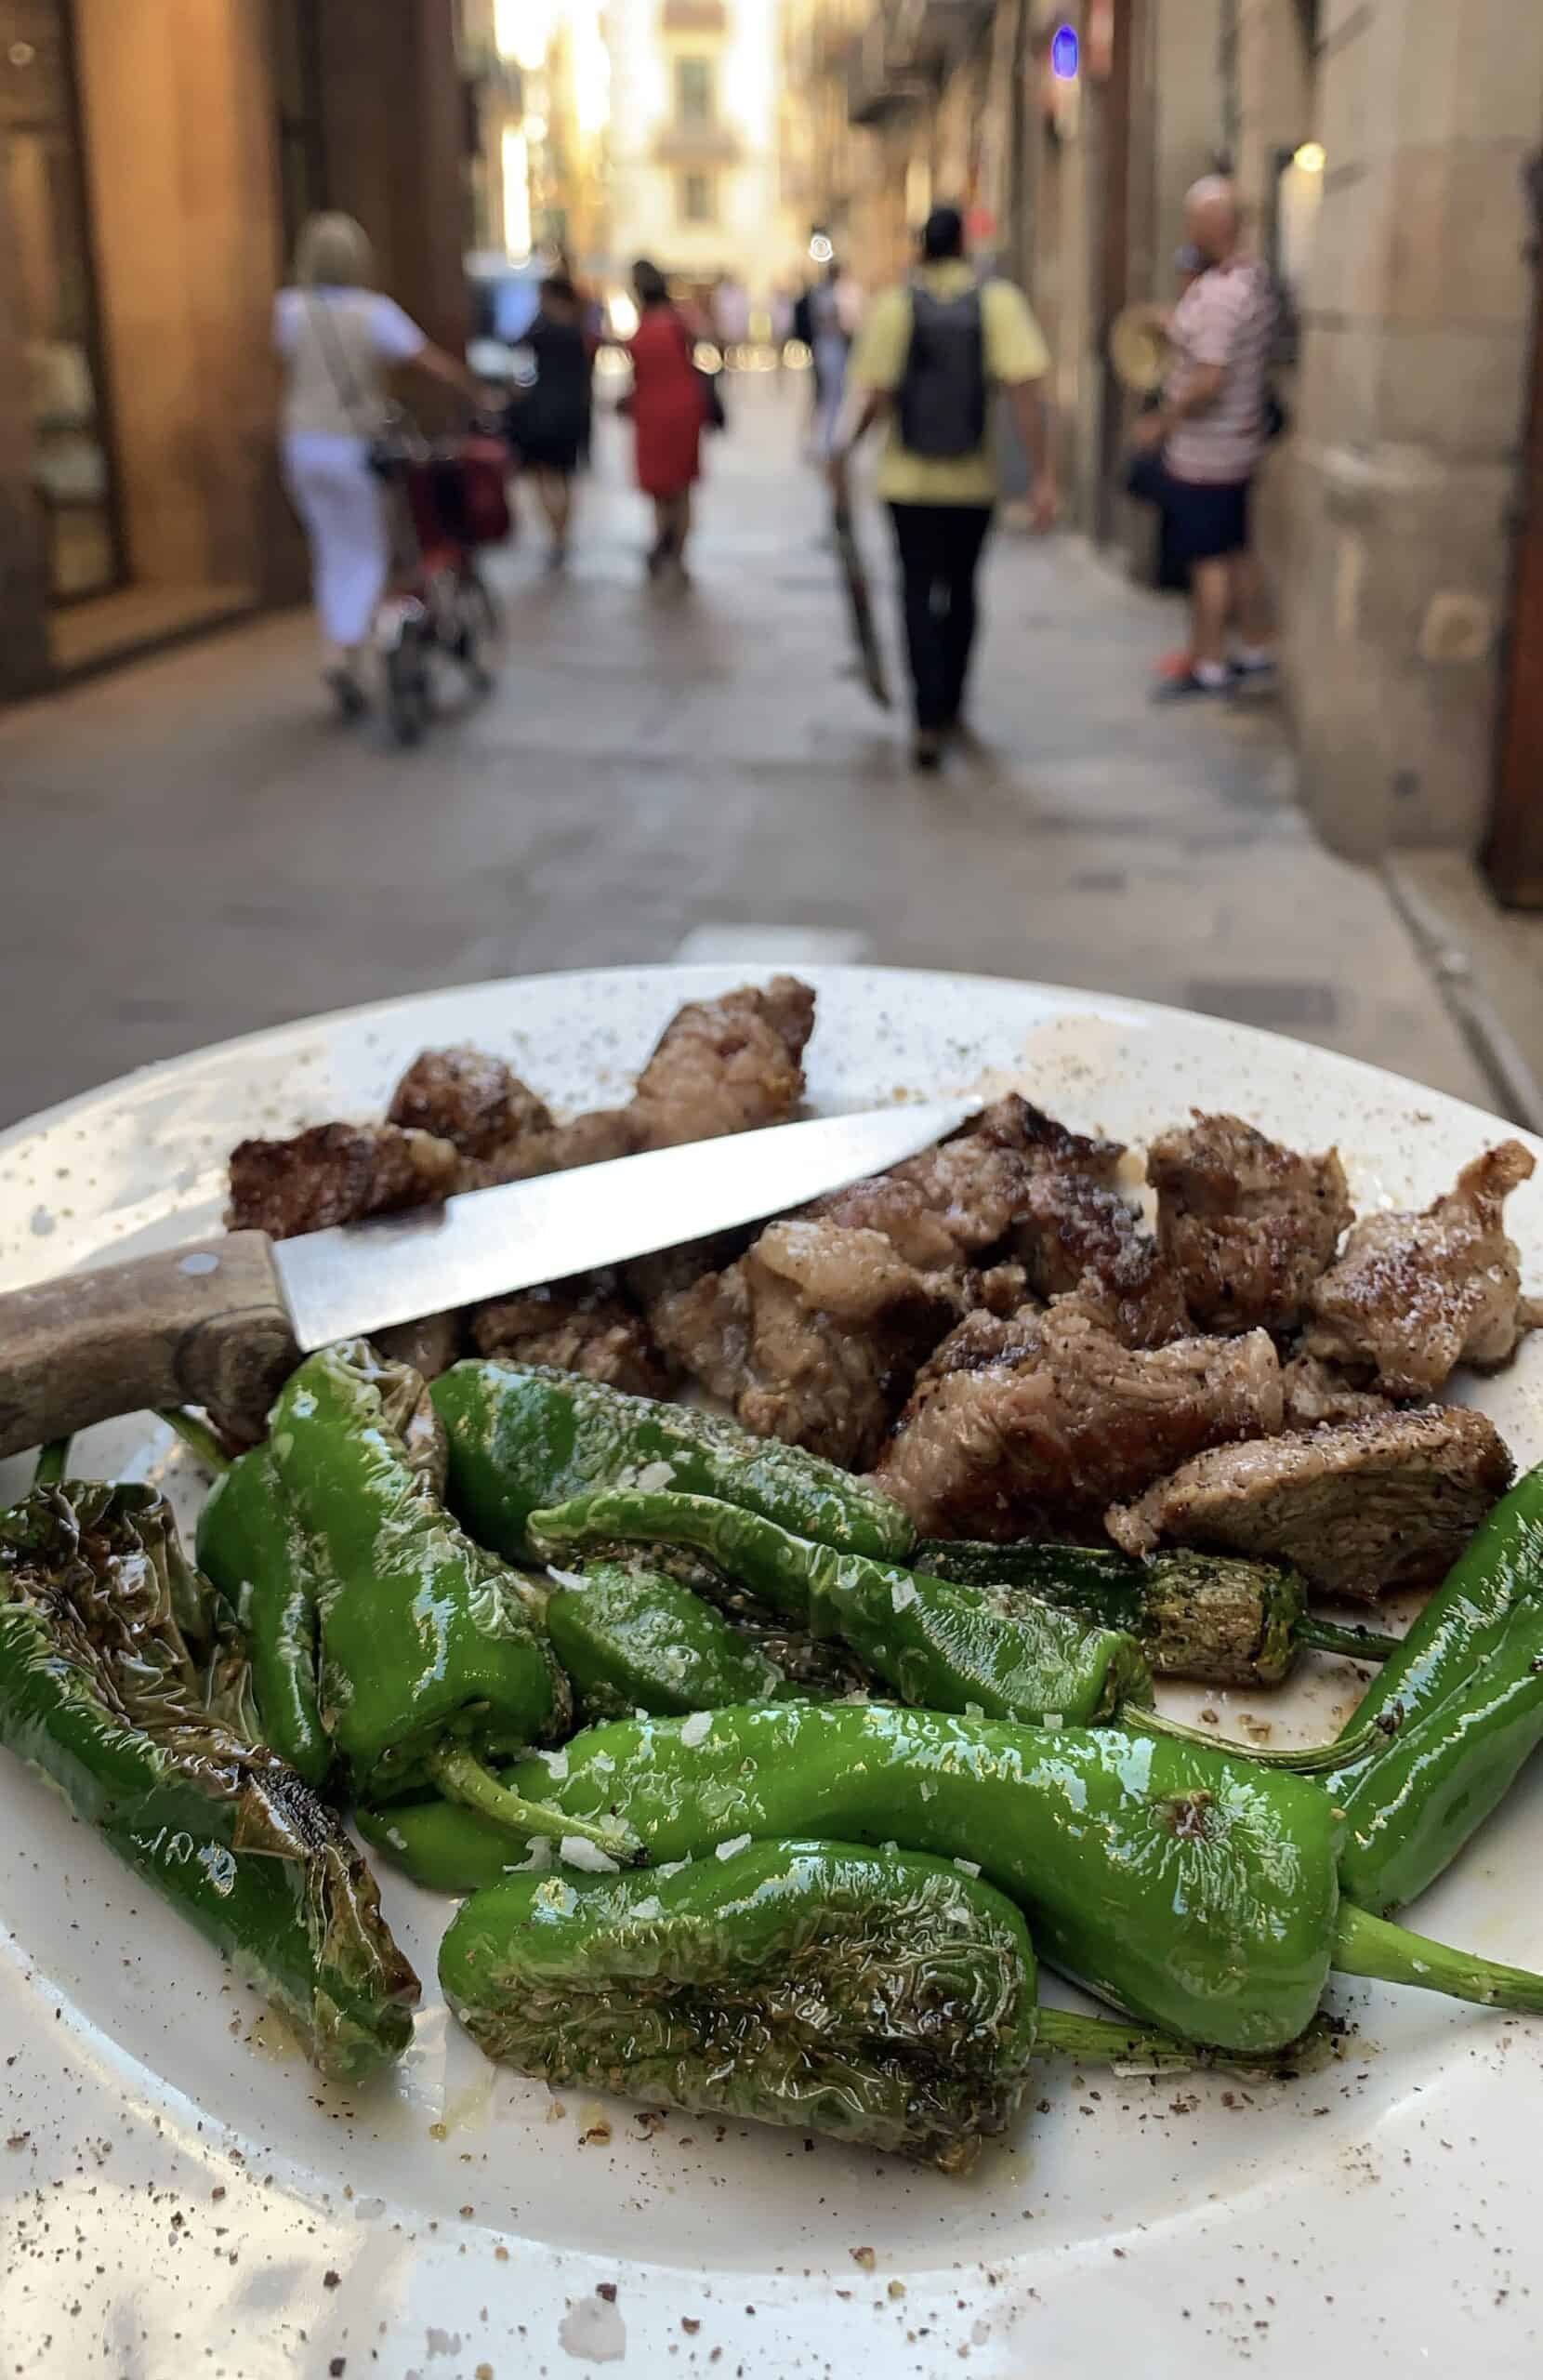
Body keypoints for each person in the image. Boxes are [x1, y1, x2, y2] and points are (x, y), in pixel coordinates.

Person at [833, 204, 1058, 771]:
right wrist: (1042, 474)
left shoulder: (893, 307)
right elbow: (1025, 390)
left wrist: (846, 452)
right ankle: (952, 703)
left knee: (914, 590)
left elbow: (876, 396)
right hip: (972, 484)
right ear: (964, 246)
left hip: (905, 482)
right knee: (961, 590)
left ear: (921, 248)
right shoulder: (998, 303)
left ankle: (925, 718)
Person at [275, 211, 479, 718]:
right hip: (354, 447)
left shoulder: (289, 310)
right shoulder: (373, 313)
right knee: (365, 552)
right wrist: (475, 389)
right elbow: (427, 361)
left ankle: (336, 649)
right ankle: (345, 650)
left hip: (302, 445)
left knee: (331, 549)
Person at [1130, 176, 1277, 701]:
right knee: (1235, 550)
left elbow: (1209, 378)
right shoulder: (1249, 278)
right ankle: (1257, 646)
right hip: (1237, 443)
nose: (1188, 229)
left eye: (1193, 219)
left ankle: (1209, 662)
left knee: (1207, 559)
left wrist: (1162, 421)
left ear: (1212, 225)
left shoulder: (1219, 295)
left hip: (1207, 453)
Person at [626, 258, 706, 580]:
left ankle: (665, 544)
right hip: (681, 407)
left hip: (654, 410)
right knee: (680, 484)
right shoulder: (678, 321)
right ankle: (674, 550)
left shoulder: (650, 325)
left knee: (662, 486)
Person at [509, 273, 592, 567]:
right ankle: (563, 535)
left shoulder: (541, 328)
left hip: (543, 410)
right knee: (566, 478)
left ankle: (556, 536)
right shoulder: (578, 328)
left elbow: (516, 349)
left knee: (544, 476)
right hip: (572, 411)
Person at [807, 260, 853, 459]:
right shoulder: (826, 296)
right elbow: (829, 323)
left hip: (829, 349)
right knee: (829, 397)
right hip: (829, 349)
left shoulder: (826, 294)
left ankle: (828, 438)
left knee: (832, 397)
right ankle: (825, 441)